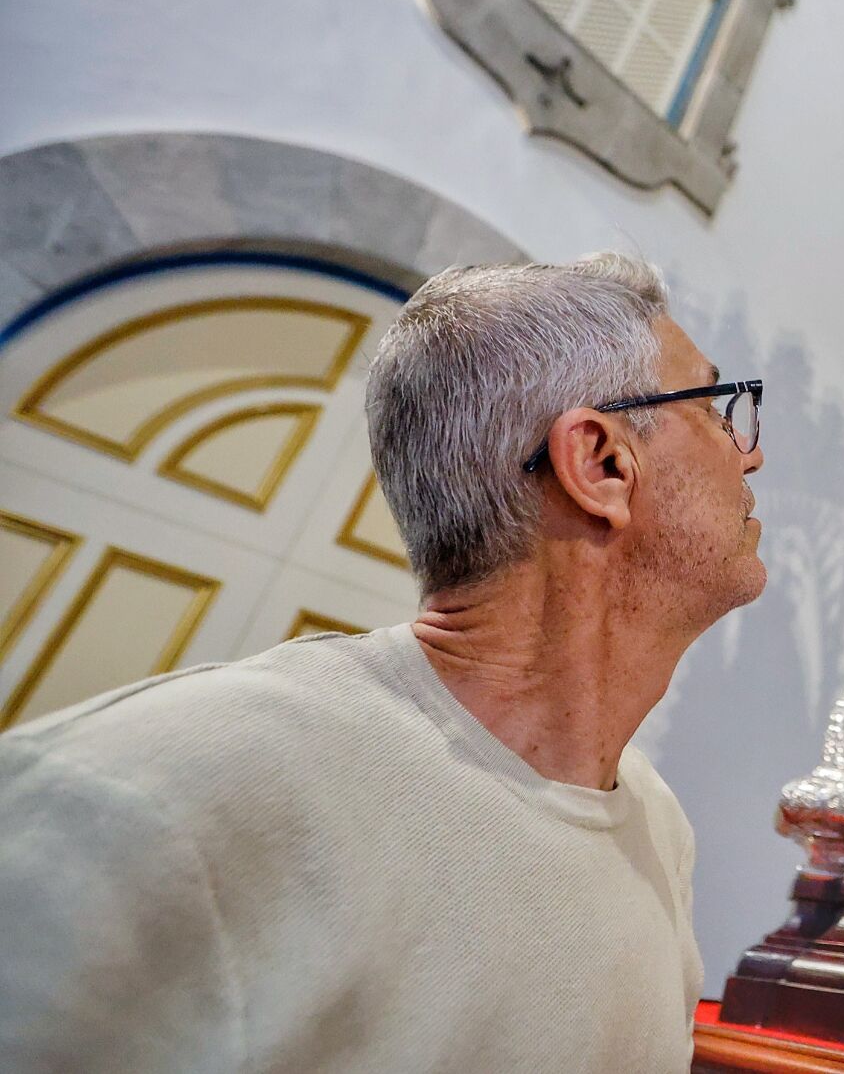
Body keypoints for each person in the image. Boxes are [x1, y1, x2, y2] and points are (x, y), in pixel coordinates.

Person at [0, 253, 764, 1072]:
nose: (746, 454)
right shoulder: (156, 796)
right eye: (718, 409)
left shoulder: (657, 828)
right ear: (602, 463)